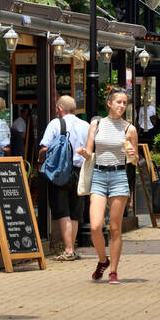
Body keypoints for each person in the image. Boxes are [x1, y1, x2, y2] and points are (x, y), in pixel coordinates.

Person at [84, 88, 140, 283]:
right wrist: (83, 153)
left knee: (115, 228)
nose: (122, 106)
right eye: (118, 102)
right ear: (109, 103)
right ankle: (102, 260)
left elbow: (134, 160)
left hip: (118, 176)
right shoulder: (96, 124)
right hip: (99, 175)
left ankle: (113, 270)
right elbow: (90, 151)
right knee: (95, 226)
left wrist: (132, 155)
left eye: (125, 103)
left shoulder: (129, 129)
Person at [38, 96, 91, 260]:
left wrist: (40, 161)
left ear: (60, 108)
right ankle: (72, 248)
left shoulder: (55, 124)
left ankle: (68, 250)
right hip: (79, 171)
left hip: (60, 172)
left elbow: (45, 148)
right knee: (75, 211)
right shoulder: (86, 125)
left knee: (62, 211)